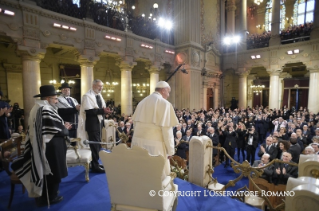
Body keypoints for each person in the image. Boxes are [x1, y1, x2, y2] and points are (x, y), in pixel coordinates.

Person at [11, 85, 72, 206]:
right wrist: (65, 128)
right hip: (50, 148)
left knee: (48, 172)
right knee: (53, 171)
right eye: (55, 98)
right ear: (48, 98)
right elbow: (57, 130)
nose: (56, 101)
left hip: (45, 146)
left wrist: (61, 127)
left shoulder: (37, 107)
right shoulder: (45, 109)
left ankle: (47, 195)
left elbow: (49, 126)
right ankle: (50, 197)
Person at [132, 81, 179, 180]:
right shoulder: (164, 104)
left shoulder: (142, 102)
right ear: (163, 90)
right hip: (155, 147)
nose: (168, 95)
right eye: (168, 92)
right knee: (157, 176)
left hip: (137, 144)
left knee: (141, 173)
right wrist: (170, 150)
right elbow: (167, 131)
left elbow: (135, 124)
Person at [79, 79, 110, 173]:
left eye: (102, 86)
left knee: (97, 144)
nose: (101, 88)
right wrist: (102, 111)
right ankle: (95, 165)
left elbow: (101, 108)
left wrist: (106, 111)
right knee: (94, 145)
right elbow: (88, 111)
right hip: (92, 124)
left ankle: (95, 163)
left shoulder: (98, 95)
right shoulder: (87, 96)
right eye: (99, 86)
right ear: (93, 86)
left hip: (98, 123)